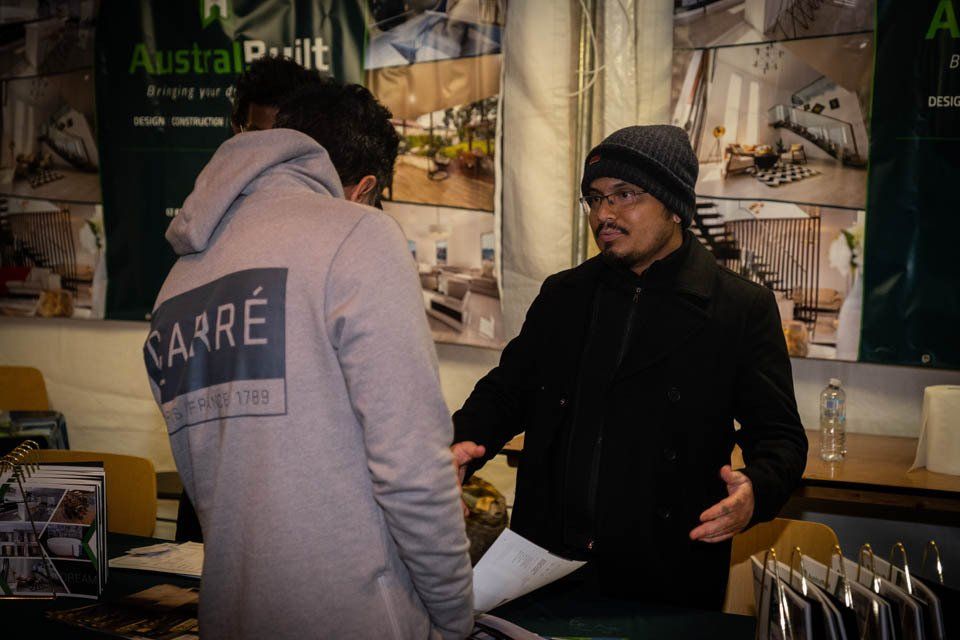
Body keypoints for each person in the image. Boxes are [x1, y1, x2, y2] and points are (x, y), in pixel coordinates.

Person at [143, 78, 474, 638]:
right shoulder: (359, 234)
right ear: (365, 187)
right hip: (354, 618)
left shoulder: (178, 282)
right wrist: (454, 616)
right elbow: (411, 470)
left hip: (231, 614)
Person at [452, 124, 808, 610]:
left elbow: (780, 438)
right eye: (595, 198)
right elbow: (506, 393)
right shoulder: (564, 294)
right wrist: (461, 445)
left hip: (666, 574)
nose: (604, 214)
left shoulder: (738, 308)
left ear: (675, 206)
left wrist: (756, 492)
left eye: (625, 195)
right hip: (544, 566)